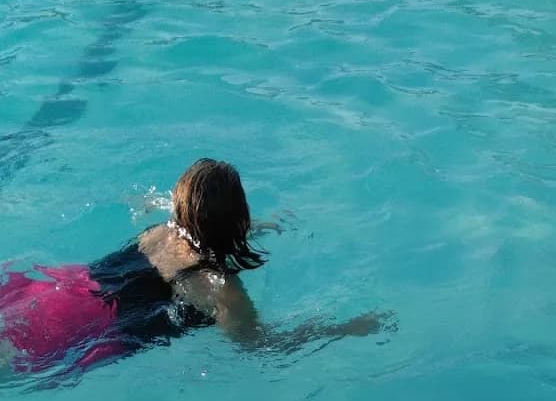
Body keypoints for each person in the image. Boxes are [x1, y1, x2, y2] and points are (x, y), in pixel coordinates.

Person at [0, 157, 385, 384]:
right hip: (95, 328)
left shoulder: (161, 233)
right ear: (238, 217)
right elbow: (259, 346)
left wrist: (258, 226)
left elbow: (193, 220)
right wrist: (342, 330)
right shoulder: (217, 287)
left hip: (61, 287)